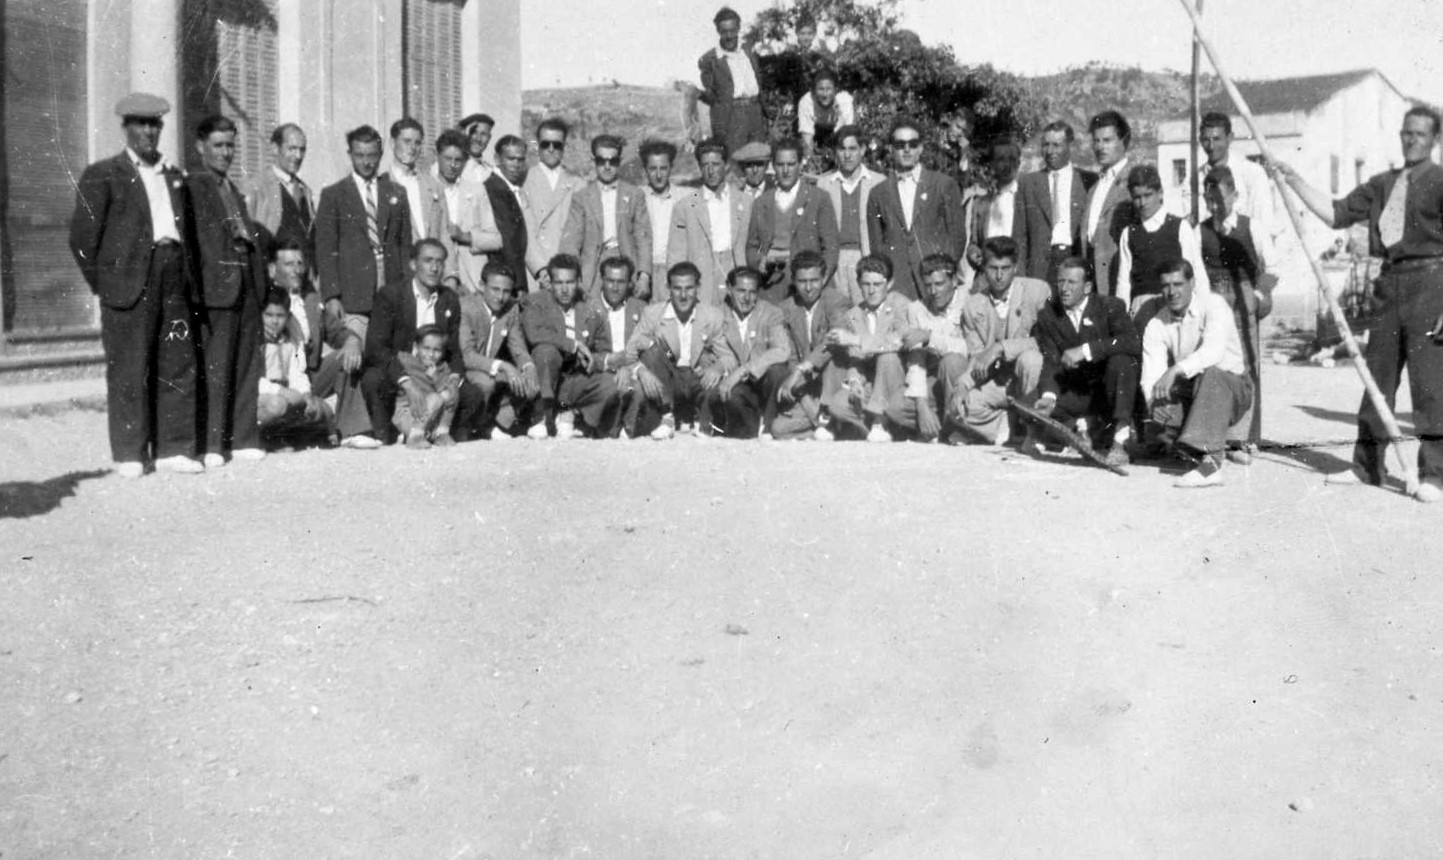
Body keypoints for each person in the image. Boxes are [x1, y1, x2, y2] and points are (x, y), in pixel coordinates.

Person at [1271, 106, 1443, 501]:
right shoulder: (1382, 184)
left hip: (1432, 282)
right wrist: (1292, 179)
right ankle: (1368, 467)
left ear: (1435, 140)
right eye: (1405, 133)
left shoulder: (1440, 180)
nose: (1410, 139)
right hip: (1388, 282)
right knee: (1376, 377)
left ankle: (1434, 472)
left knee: (1430, 383)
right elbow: (1335, 213)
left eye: (1419, 134)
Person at [69, 92, 204, 477]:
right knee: (129, 366)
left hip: (173, 274)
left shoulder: (175, 177)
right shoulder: (104, 174)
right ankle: (130, 453)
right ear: (125, 128)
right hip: (128, 283)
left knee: (177, 361)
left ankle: (174, 449)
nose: (148, 131)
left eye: (154, 124)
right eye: (140, 124)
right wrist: (107, 284)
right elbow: (81, 239)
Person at [188, 114, 270, 468]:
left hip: (245, 287)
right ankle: (211, 444)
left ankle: (243, 438)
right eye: (218, 146)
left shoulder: (232, 188)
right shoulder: (193, 186)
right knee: (217, 368)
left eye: (230, 146)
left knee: (246, 366)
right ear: (201, 147)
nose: (225, 153)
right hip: (216, 290)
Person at [314, 124, 413, 405]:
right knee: (354, 353)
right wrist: (332, 295)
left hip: (390, 289)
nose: (366, 162)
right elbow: (325, 248)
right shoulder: (334, 195)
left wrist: (405, 289)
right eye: (359, 155)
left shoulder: (396, 192)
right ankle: (354, 424)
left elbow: (404, 246)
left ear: (381, 153)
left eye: (372, 155)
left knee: (390, 354)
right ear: (350, 154)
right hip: (354, 294)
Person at [1141, 260, 1253, 488]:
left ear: (1192, 283)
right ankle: (1211, 441)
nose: (1172, 292)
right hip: (1193, 391)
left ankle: (1211, 467)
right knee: (1161, 417)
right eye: (1165, 286)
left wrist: (1175, 369)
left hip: (1233, 388)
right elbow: (1151, 375)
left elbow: (1213, 352)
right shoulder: (1156, 323)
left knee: (1211, 374)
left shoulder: (1214, 304)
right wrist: (1156, 403)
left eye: (1178, 284)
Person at [361, 239, 480, 444]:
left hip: (434, 372)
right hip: (400, 368)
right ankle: (385, 436)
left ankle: (441, 433)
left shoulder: (449, 299)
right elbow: (376, 347)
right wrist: (406, 383)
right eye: (428, 261)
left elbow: (453, 351)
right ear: (413, 265)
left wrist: (453, 381)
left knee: (471, 394)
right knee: (374, 379)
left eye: (440, 262)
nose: (434, 268)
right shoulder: (391, 295)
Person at [1027, 256, 1139, 466]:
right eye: (1060, 281)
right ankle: (1082, 428)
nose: (1064, 288)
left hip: (1109, 392)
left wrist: (1087, 350)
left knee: (1122, 361)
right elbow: (1051, 361)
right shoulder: (1048, 315)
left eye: (1071, 282)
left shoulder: (1110, 306)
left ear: (1087, 287)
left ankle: (1120, 438)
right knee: (1031, 404)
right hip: (1077, 392)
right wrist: (1049, 396)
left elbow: (1131, 342)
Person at [1200, 166, 1277, 458]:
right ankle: (1217, 433)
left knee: (1247, 362)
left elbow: (1273, 266)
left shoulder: (1251, 226)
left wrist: (1258, 295)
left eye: (1220, 199)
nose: (1215, 206)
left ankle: (1243, 438)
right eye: (1209, 201)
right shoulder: (1201, 230)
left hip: (1244, 296)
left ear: (1234, 195)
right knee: (1216, 362)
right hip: (1214, 297)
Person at [267, 238, 373, 444]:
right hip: (276, 380)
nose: (297, 270)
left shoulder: (310, 299)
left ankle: (353, 431)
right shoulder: (265, 301)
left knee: (345, 357)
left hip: (308, 376)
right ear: (272, 269)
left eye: (300, 263)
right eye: (289, 264)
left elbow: (337, 332)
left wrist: (352, 340)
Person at [510, 253, 622, 440]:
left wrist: (593, 360)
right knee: (546, 352)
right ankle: (541, 416)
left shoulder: (590, 307)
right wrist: (573, 345)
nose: (564, 289)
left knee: (610, 384)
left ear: (578, 281)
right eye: (558, 283)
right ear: (550, 283)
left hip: (574, 379)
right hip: (546, 377)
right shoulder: (536, 302)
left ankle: (573, 416)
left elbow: (603, 350)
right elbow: (534, 333)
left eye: (569, 282)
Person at [623, 261, 739, 439]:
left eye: (689, 288)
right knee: (655, 348)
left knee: (715, 379)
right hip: (666, 379)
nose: (683, 295)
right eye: (677, 288)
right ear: (668, 288)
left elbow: (730, 357)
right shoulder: (653, 314)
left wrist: (718, 368)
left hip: (696, 377)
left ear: (698, 288)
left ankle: (703, 418)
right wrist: (641, 371)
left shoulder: (711, 316)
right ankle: (666, 415)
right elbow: (630, 351)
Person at [957, 237, 1049, 444]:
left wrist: (1001, 347)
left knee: (1031, 359)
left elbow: (1045, 342)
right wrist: (963, 384)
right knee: (964, 405)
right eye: (993, 268)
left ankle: (1034, 434)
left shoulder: (1037, 291)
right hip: (1001, 382)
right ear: (983, 268)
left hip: (1035, 378)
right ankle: (1006, 422)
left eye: (1005, 268)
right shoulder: (973, 305)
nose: (999, 276)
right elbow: (977, 358)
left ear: (1015, 267)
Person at [866, 117, 966, 301]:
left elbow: (957, 238)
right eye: (900, 144)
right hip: (898, 284)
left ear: (921, 148)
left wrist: (942, 274)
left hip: (935, 283)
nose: (906, 149)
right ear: (890, 148)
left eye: (913, 144)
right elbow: (877, 246)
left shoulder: (943, 184)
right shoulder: (878, 193)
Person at [824, 253, 913, 442]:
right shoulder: (854, 314)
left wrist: (856, 339)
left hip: (898, 380)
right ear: (858, 283)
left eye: (877, 284)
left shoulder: (901, 304)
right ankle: (877, 427)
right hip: (872, 385)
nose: (871, 291)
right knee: (838, 405)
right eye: (866, 284)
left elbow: (898, 341)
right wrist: (855, 381)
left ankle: (881, 421)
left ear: (889, 284)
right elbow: (855, 358)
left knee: (888, 357)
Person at [744, 137, 839, 302]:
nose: (786, 170)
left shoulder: (818, 198)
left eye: (791, 164)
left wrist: (819, 280)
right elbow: (752, 247)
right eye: (780, 165)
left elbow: (831, 247)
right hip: (772, 285)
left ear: (800, 165)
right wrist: (761, 262)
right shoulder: (761, 202)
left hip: (807, 283)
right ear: (773, 166)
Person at [1115, 164, 1210, 329]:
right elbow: (1123, 283)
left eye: (1148, 195)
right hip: (1142, 307)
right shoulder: (1128, 233)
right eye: (1137, 197)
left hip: (1175, 302)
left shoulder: (1180, 227)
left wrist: (1203, 313)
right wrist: (1121, 319)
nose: (1142, 202)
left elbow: (1196, 273)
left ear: (1160, 193)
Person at [560, 134, 653, 301]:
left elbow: (643, 238)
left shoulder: (635, 195)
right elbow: (571, 241)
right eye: (602, 161)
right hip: (593, 269)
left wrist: (644, 276)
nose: (607, 166)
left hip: (626, 265)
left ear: (620, 160)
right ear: (593, 161)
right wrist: (575, 277)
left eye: (613, 161)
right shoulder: (581, 197)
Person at [772, 250, 853, 440]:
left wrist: (801, 369)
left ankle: (831, 419)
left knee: (835, 359)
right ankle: (830, 425)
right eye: (802, 281)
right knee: (779, 429)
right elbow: (790, 355)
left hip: (836, 379)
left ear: (824, 279)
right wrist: (804, 398)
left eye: (814, 280)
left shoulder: (837, 300)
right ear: (793, 281)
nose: (808, 288)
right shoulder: (786, 308)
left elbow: (834, 340)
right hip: (808, 386)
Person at [704, 266, 792, 437]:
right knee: (729, 399)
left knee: (778, 370)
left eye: (752, 292)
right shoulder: (716, 313)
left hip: (762, 382)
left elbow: (782, 349)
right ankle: (747, 425)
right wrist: (715, 366)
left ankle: (769, 423)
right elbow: (703, 349)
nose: (746, 298)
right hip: (734, 385)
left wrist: (744, 370)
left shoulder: (771, 313)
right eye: (741, 291)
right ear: (729, 289)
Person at [892, 253, 970, 442]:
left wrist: (930, 337)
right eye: (928, 285)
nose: (933, 291)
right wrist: (922, 406)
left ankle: (958, 427)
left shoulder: (970, 301)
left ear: (953, 280)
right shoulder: (916, 309)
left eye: (939, 284)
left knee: (951, 361)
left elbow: (969, 349)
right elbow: (916, 360)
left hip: (964, 379)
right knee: (895, 407)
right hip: (935, 383)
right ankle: (938, 424)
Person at [668, 138, 754, 305]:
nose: (710, 170)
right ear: (699, 167)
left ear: (726, 165)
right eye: (705, 165)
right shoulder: (685, 206)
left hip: (735, 271)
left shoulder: (746, 201)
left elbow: (755, 243)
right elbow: (676, 254)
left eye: (715, 164)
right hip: (703, 273)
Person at [1014, 121, 1097, 284]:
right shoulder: (1028, 183)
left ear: (1069, 146)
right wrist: (1020, 280)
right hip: (1039, 268)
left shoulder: (1088, 181)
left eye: (1056, 145)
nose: (1050, 151)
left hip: (1074, 260)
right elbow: (1019, 237)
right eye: (1045, 145)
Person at [458, 260, 527, 438]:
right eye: (495, 289)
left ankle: (496, 424)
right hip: (463, 370)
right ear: (482, 286)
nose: (500, 297)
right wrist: (504, 366)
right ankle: (472, 428)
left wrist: (529, 368)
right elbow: (467, 355)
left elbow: (518, 346)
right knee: (486, 383)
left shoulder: (510, 309)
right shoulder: (466, 307)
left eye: (506, 291)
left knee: (526, 380)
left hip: (489, 368)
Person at [817, 124, 884, 305]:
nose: (847, 155)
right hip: (835, 259)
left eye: (852, 149)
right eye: (842, 149)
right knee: (838, 309)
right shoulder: (824, 183)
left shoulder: (878, 182)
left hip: (864, 255)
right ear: (835, 152)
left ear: (862, 150)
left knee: (865, 309)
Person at [257, 287, 332, 442]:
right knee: (277, 405)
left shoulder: (291, 339)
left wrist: (305, 394)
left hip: (286, 393)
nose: (275, 321)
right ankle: (259, 437)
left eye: (280, 316)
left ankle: (284, 435)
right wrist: (280, 391)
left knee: (321, 408)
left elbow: (297, 372)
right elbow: (252, 380)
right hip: (262, 395)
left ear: (288, 316)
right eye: (269, 315)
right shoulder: (256, 341)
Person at [433, 129, 503, 294]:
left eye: (458, 160)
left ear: (465, 161)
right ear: (437, 157)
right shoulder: (428, 189)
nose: (452, 165)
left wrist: (466, 237)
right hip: (438, 276)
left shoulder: (476, 191)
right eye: (448, 158)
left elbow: (497, 239)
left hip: (472, 277)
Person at [523, 118, 585, 289]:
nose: (551, 149)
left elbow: (577, 233)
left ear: (564, 146)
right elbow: (524, 231)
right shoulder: (524, 181)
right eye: (545, 144)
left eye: (557, 145)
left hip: (565, 272)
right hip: (535, 271)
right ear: (537, 146)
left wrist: (565, 269)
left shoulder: (577, 184)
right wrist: (541, 269)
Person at [243, 123, 315, 268]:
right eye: (292, 149)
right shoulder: (256, 187)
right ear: (275, 148)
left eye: (302, 150)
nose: (298, 156)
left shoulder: (305, 190)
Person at [698, 6, 767, 156]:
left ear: (738, 28)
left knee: (758, 158)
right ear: (718, 32)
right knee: (734, 162)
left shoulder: (749, 51)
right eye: (724, 31)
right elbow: (711, 95)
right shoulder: (710, 60)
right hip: (732, 116)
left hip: (755, 111)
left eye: (732, 30)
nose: (729, 35)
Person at [593, 256, 650, 436]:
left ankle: (628, 429)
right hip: (602, 373)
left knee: (637, 389)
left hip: (633, 373)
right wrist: (612, 363)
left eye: (621, 282)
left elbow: (654, 348)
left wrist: (631, 367)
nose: (615, 287)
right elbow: (583, 353)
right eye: (610, 281)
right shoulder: (588, 308)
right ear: (602, 281)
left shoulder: (640, 308)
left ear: (629, 283)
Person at [1198, 112, 1276, 241]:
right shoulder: (1195, 180)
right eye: (1206, 140)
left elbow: (1264, 226)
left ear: (1230, 138)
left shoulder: (1252, 173)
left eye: (1217, 139)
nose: (1211, 146)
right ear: (1201, 140)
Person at [1082, 110, 1135, 296]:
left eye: (1107, 140)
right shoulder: (1095, 187)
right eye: (1096, 141)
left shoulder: (1133, 181)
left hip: (1117, 278)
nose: (1100, 147)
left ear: (1124, 141)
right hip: (1092, 280)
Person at [392, 325, 463, 448]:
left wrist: (435, 377)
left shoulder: (443, 368)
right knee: (435, 398)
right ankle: (414, 436)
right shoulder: (405, 360)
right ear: (416, 347)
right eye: (426, 348)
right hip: (408, 414)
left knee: (450, 393)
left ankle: (441, 433)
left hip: (431, 419)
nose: (431, 354)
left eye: (437, 350)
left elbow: (448, 395)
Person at [483, 134, 533, 295]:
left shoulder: (509, 187)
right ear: (497, 159)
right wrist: (518, 284)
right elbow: (508, 240)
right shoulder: (495, 189)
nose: (516, 165)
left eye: (520, 160)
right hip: (505, 279)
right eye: (511, 159)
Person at [964, 138, 1021, 271]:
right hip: (986, 275)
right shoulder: (980, 203)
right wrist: (973, 253)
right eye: (1001, 159)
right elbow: (974, 243)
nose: (1007, 164)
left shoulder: (1025, 200)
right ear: (992, 164)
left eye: (1012, 159)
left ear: (1018, 163)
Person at [385, 117, 444, 244]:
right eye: (407, 141)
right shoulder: (381, 185)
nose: (412, 148)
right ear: (392, 143)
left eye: (417, 143)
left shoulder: (433, 186)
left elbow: (444, 236)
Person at [639, 140, 682, 301]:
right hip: (646, 273)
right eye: (653, 169)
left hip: (674, 270)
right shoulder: (637, 197)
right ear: (645, 170)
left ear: (671, 167)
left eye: (663, 168)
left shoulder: (684, 197)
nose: (658, 175)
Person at [797, 68, 854, 163]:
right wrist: (809, 161)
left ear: (836, 90)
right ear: (814, 91)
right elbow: (807, 137)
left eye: (828, 89)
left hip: (837, 131)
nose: (825, 94)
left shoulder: (844, 101)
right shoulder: (806, 102)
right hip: (817, 130)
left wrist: (840, 113)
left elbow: (847, 133)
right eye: (820, 89)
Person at [457, 113, 495, 183]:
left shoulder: (490, 172)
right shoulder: (454, 167)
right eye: (473, 133)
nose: (478, 139)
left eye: (483, 134)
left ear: (489, 138)